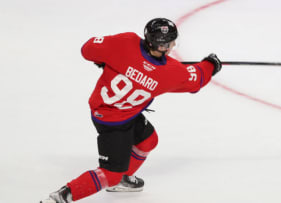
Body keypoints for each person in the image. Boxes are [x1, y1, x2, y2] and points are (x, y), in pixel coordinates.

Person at [40, 17, 222, 203]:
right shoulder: (171, 73)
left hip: (116, 111)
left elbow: (87, 50)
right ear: (161, 47)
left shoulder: (125, 42)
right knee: (110, 173)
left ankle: (122, 180)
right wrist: (210, 64)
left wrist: (103, 58)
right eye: (171, 42)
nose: (174, 44)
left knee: (148, 140)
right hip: (113, 123)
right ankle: (60, 197)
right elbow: (197, 79)